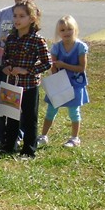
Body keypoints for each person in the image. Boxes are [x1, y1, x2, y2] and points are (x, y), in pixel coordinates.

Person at [0, 0, 36, 147]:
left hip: (20, 69)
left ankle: (17, 135)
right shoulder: (2, 14)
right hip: (0, 64)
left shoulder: (32, 17)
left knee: (17, 104)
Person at [0, 0, 52, 158]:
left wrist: (27, 70)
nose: (17, 19)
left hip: (29, 86)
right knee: (11, 116)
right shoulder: (11, 38)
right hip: (13, 85)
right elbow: (5, 58)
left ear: (32, 18)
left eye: (22, 16)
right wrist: (6, 67)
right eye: (15, 16)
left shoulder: (37, 40)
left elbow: (47, 63)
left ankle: (29, 150)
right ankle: (9, 145)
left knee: (29, 118)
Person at [39, 15, 89, 148]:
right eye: (62, 30)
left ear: (75, 30)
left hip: (75, 83)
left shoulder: (80, 47)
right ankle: (43, 136)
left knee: (74, 111)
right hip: (59, 83)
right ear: (58, 32)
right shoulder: (56, 47)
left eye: (69, 29)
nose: (66, 32)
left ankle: (74, 138)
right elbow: (53, 66)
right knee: (51, 110)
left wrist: (64, 65)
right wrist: (55, 72)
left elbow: (81, 68)